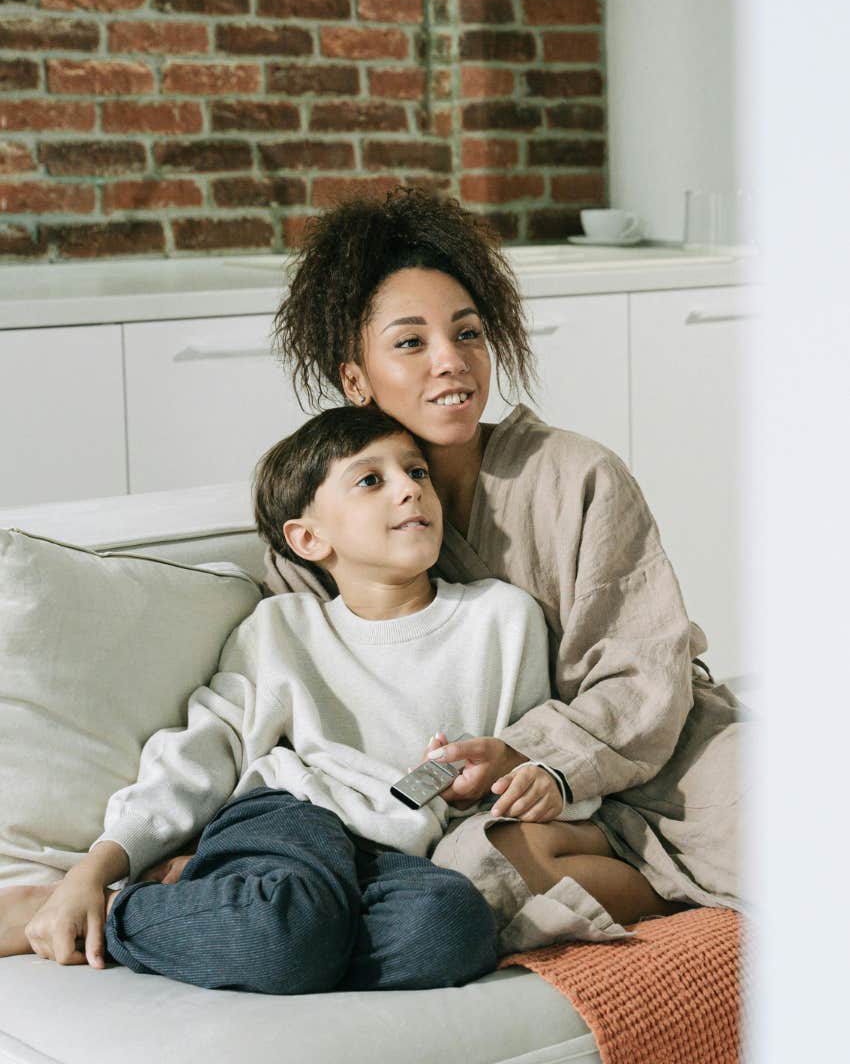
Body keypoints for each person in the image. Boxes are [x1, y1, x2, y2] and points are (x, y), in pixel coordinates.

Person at [266, 186, 748, 951]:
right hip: (501, 802)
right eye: (411, 342)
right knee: (469, 876)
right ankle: (664, 897)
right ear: (355, 379)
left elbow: (646, 673)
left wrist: (540, 755)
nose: (451, 361)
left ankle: (680, 890)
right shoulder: (328, 522)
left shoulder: (577, 474)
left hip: (666, 760)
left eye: (468, 333)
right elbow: (310, 680)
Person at [0, 404, 627, 988]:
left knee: (452, 926)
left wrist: (517, 770)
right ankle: (115, 913)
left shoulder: (504, 617)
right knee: (293, 924)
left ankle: (242, 917)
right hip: (292, 815)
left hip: (399, 845)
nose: (410, 487)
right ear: (307, 539)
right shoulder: (281, 628)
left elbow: (523, 750)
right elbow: (203, 750)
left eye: (415, 472)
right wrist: (98, 866)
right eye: (369, 481)